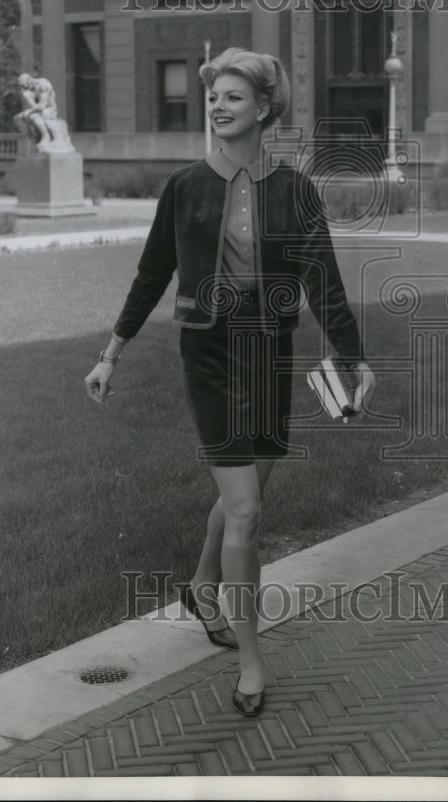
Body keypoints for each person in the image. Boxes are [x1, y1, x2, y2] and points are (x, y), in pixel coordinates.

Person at [84, 48, 375, 718]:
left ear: (266, 108)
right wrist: (110, 354)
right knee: (244, 509)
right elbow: (151, 274)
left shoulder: (296, 191)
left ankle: (200, 583)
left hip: (270, 350)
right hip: (208, 354)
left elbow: (322, 279)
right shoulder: (185, 187)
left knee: (247, 488)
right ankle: (250, 660)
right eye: (213, 96)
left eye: (233, 97)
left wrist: (353, 359)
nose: (217, 106)